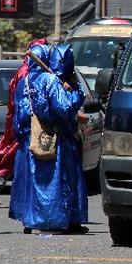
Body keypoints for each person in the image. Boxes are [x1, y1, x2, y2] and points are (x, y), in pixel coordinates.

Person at [9, 43, 84, 234]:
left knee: (32, 181)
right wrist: (76, 94)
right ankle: (49, 222)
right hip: (51, 136)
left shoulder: (23, 82)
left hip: (28, 138)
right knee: (51, 182)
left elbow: (17, 111)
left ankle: (31, 219)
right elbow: (63, 108)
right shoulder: (50, 81)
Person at [0, 38, 48, 208]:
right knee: (21, 155)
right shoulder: (27, 74)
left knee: (15, 155)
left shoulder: (27, 72)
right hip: (25, 122)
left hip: (18, 120)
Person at [49, 43, 89, 233]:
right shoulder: (52, 83)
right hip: (58, 140)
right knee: (61, 182)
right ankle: (59, 220)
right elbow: (64, 109)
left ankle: (73, 219)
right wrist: (72, 94)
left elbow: (79, 100)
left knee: (72, 181)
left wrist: (74, 90)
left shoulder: (68, 81)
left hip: (68, 140)